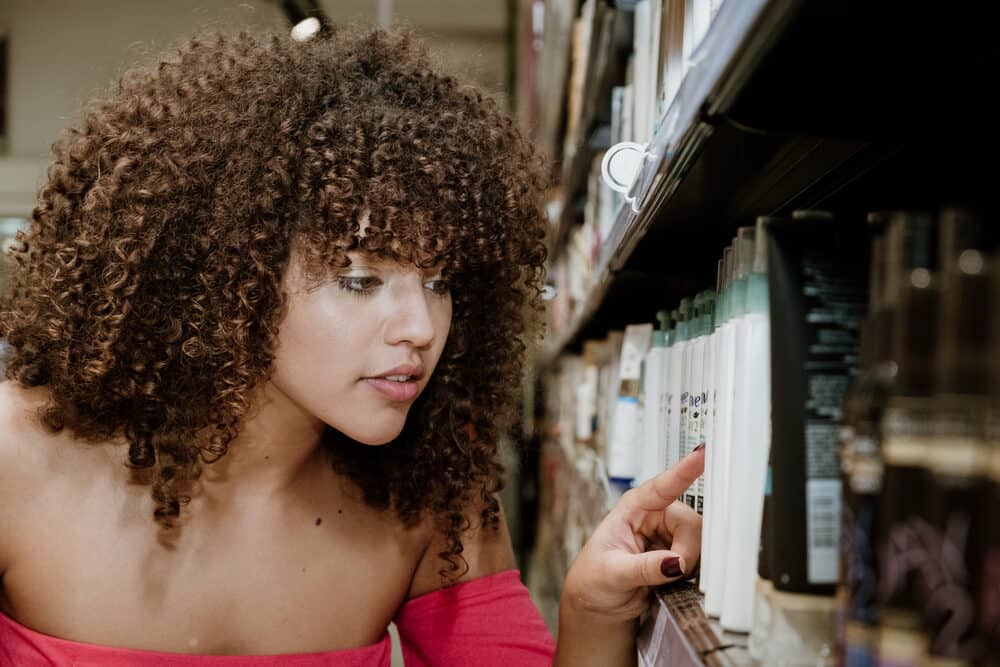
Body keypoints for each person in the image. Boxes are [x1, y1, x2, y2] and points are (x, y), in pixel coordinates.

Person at [0, 27, 703, 666]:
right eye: (362, 278)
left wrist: (591, 607)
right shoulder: (15, 460)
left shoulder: (428, 496)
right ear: (224, 272)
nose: (422, 327)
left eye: (440, 279)